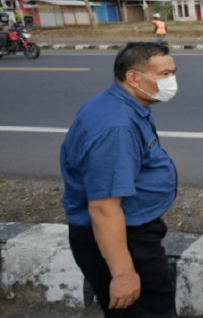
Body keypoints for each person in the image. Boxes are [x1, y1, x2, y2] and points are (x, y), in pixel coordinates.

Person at [60, 42, 179, 317]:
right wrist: (124, 274)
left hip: (132, 228)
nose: (171, 81)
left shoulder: (119, 105)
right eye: (164, 74)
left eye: (172, 72)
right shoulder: (116, 127)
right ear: (134, 77)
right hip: (125, 236)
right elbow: (103, 208)